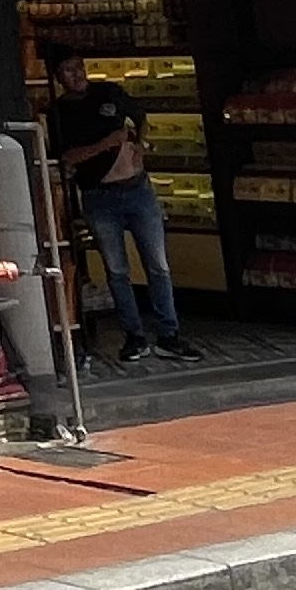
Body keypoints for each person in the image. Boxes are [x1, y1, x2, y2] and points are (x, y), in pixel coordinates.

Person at [47, 50, 194, 363]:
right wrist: (107, 144)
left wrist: (140, 144)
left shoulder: (108, 92)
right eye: (67, 71)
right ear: (58, 78)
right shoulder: (58, 113)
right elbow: (67, 158)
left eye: (78, 67)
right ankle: (134, 336)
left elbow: (140, 117)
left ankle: (169, 333)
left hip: (137, 189)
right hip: (100, 196)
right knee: (117, 270)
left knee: (158, 266)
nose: (76, 75)